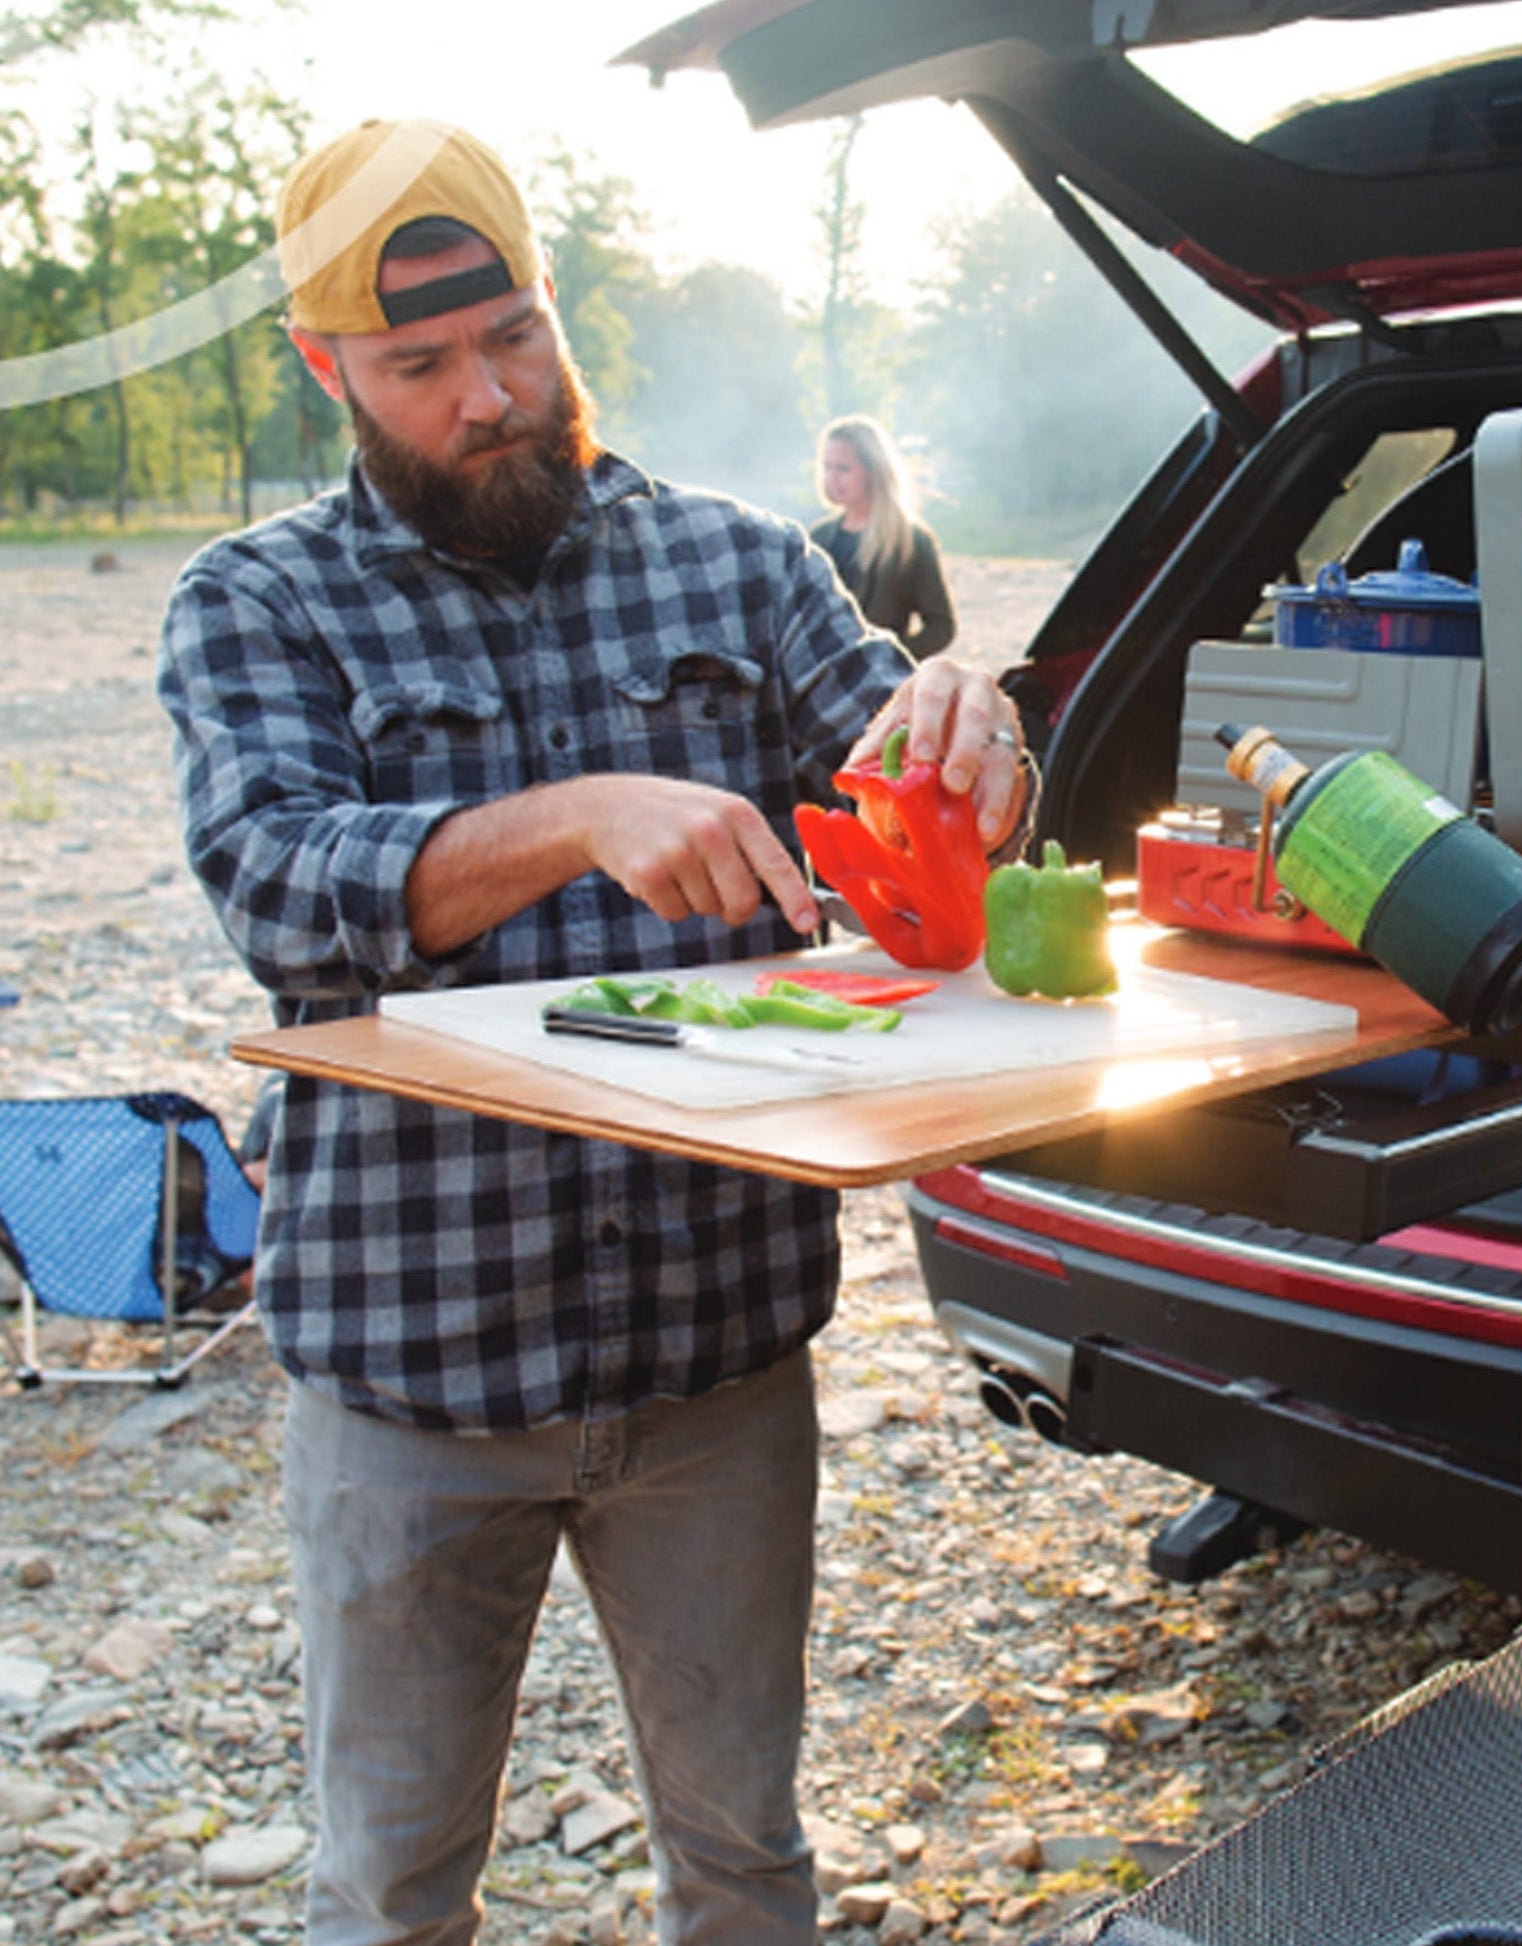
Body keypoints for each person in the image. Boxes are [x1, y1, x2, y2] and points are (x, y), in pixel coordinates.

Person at [157, 118, 1028, 1946]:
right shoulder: (258, 600)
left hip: (714, 1359)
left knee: (746, 1859)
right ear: (330, 368)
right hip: (415, 1372)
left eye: (521, 337)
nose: (492, 396)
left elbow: (902, 793)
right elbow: (276, 886)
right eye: (425, 365)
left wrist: (971, 744)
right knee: (392, 1888)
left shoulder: (742, 566)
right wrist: (571, 818)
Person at [810, 413, 958, 659]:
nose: (832, 478)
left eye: (843, 468)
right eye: (827, 467)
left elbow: (941, 627)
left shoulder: (911, 541)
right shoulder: (817, 538)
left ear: (873, 470)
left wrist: (889, 656)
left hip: (879, 687)